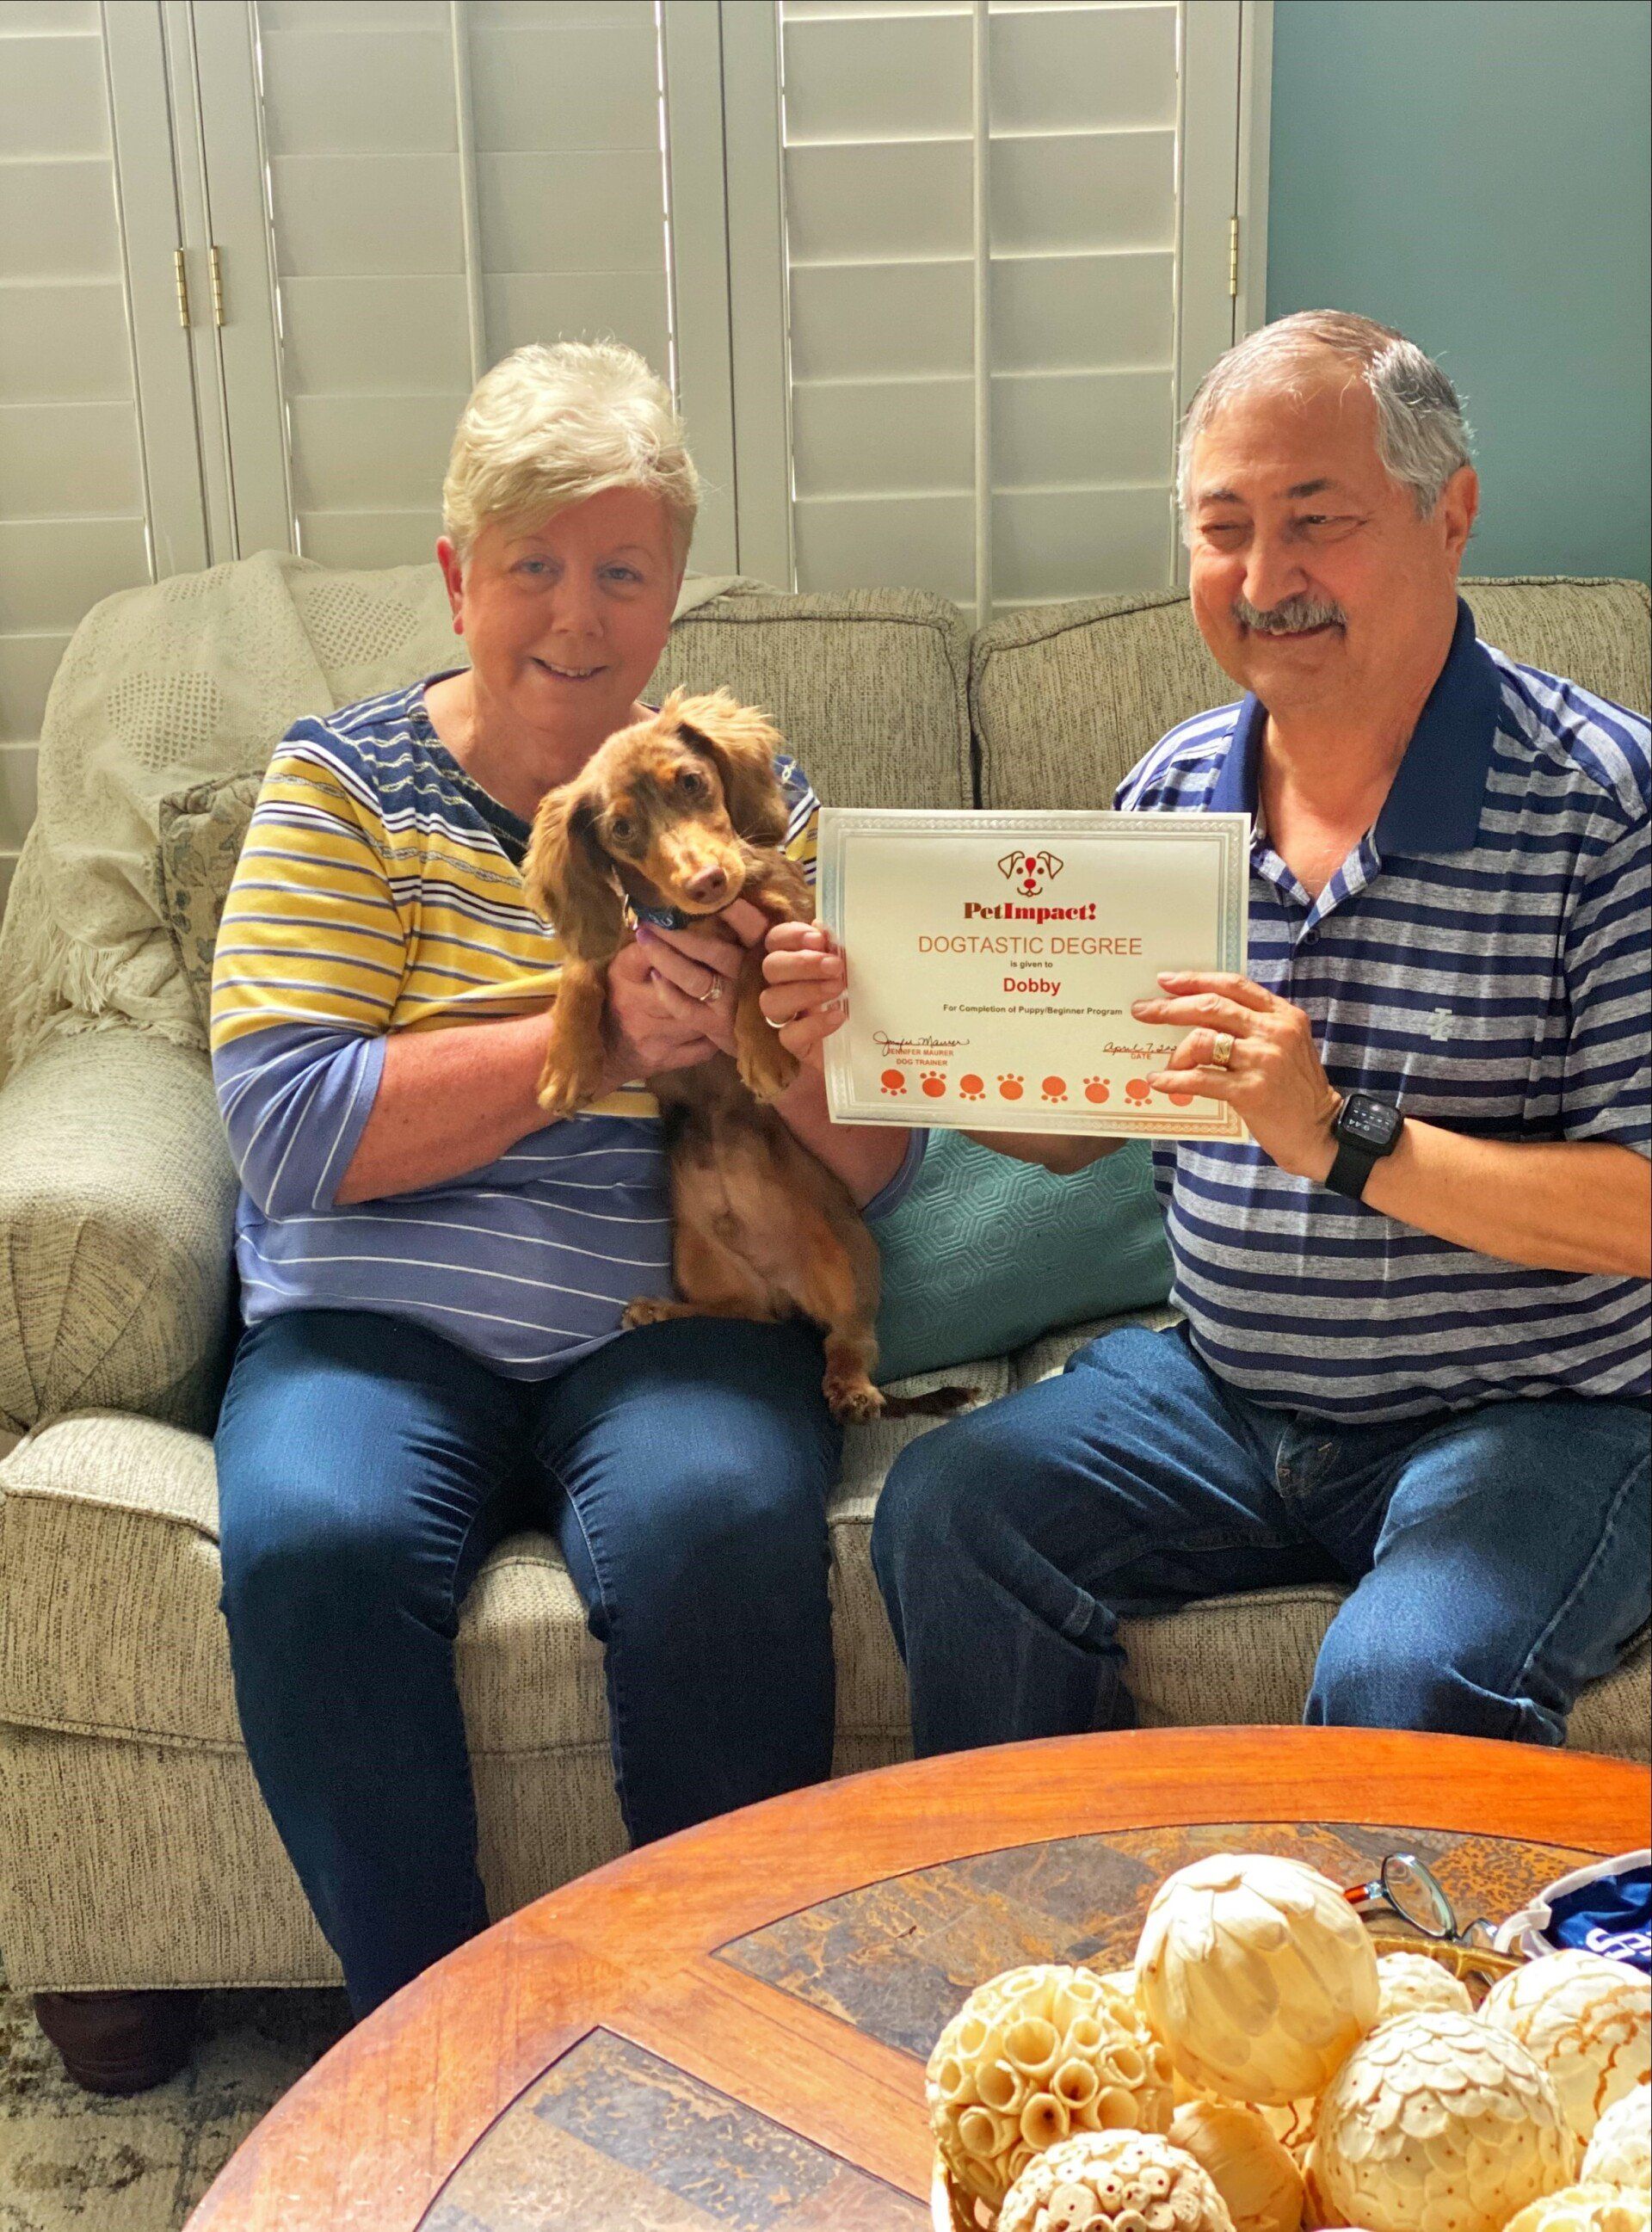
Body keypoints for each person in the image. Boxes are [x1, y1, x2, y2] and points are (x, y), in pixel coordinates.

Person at [783, 310, 1651, 1760]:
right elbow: (1074, 1127)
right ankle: (1069, 1888)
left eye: (1317, 521)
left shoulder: (1607, 809)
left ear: (1452, 516)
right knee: (950, 1510)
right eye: (1223, 528)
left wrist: (1341, 1135)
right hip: (1229, 1392)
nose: (1263, 579)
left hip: (1540, 1415)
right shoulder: (1176, 795)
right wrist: (863, 1025)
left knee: (1408, 1673)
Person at [210, 342, 915, 2019]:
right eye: (532, 566)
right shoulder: (342, 789)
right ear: (458, 579)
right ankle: (437, 2043)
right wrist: (589, 1045)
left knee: (719, 1529)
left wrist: (787, 1036)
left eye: (622, 573)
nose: (577, 619)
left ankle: (712, 2033)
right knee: (315, 1548)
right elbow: (286, 1128)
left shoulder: (748, 805)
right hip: (370, 1325)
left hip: (677, 1317)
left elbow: (878, 1171)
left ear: (674, 597)